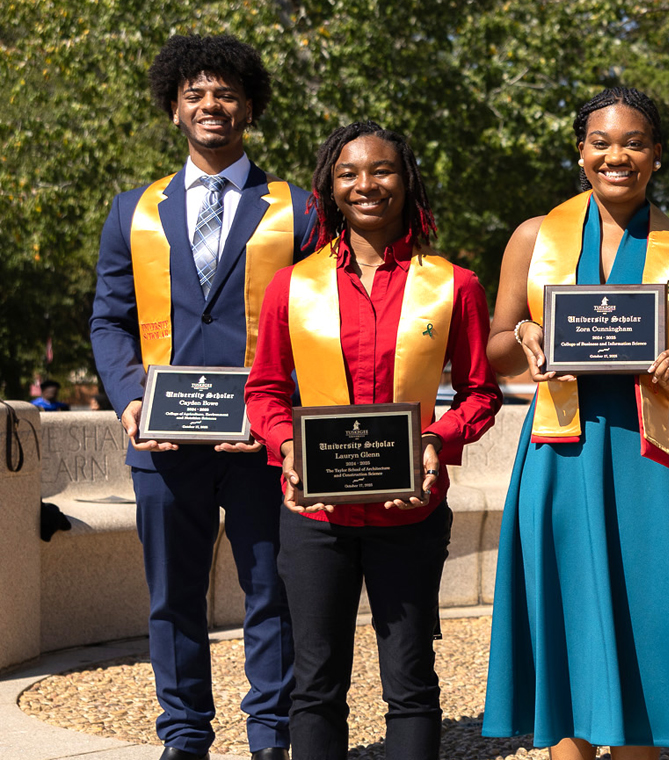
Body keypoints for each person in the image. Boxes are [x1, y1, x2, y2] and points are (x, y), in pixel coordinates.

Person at [481, 87, 669, 759]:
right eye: (601, 142)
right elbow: (495, 354)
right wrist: (526, 331)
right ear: (581, 151)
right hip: (560, 452)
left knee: (645, 621)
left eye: (633, 142)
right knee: (569, 614)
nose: (616, 155)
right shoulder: (534, 238)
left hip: (648, 459)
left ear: (656, 155)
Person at [88, 34, 317, 760]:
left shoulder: (299, 210)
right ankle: (183, 736)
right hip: (161, 442)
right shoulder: (133, 211)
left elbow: (320, 322)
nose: (210, 105)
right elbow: (109, 319)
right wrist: (128, 397)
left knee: (270, 596)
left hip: (261, 442)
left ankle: (269, 737)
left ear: (249, 106)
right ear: (174, 109)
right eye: (195, 94)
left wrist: (282, 414)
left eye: (225, 93)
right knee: (171, 599)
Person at [244, 122, 501, 760]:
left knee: (411, 682)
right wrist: (287, 446)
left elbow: (480, 392)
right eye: (349, 173)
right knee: (315, 683)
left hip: (410, 509)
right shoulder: (292, 286)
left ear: (406, 180)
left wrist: (438, 438)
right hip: (314, 513)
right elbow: (265, 392)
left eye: (382, 170)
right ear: (329, 189)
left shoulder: (452, 285)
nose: (367, 185)